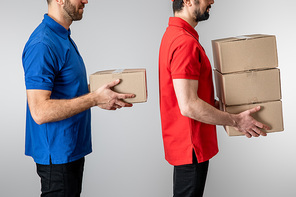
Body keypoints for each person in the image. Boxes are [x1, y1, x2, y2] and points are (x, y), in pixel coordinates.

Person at [22, 0, 135, 196]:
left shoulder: (62, 37)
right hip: (57, 157)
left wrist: (101, 93)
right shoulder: (42, 43)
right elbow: (39, 111)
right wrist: (94, 99)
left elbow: (68, 90)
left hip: (70, 151)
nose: (85, 0)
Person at [158, 0, 270, 196]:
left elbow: (190, 97)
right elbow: (189, 106)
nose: (212, 1)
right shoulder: (184, 43)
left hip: (185, 144)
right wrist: (236, 121)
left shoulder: (174, 36)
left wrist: (229, 108)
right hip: (190, 146)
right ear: (187, 1)